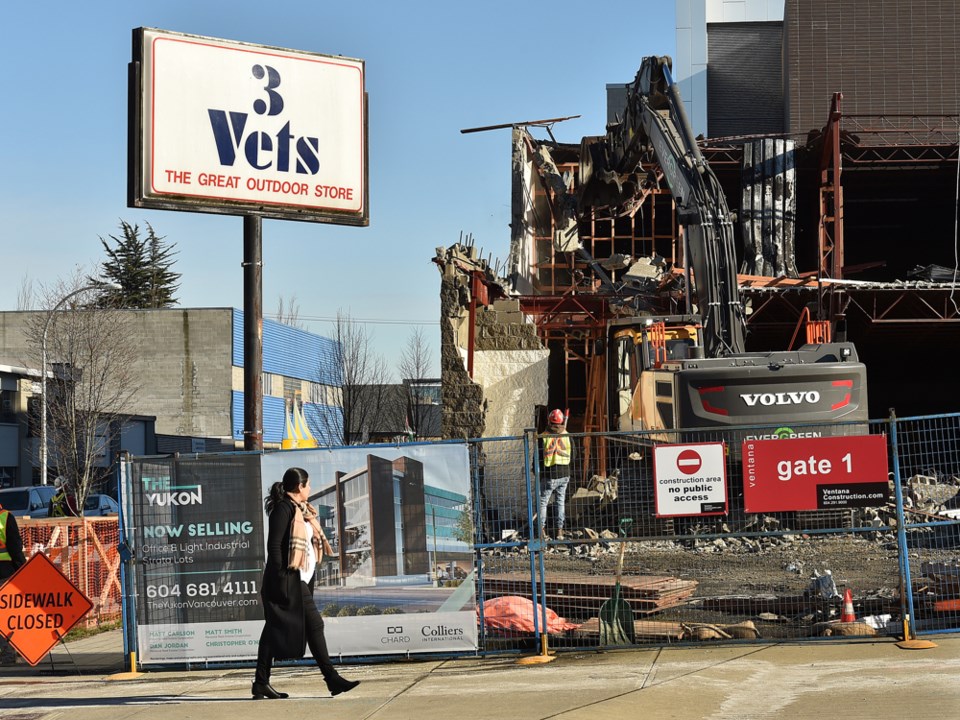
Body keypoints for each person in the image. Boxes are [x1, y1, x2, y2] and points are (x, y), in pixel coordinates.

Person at [253, 467, 360, 700]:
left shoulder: (303, 510)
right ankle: (332, 679)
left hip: (299, 579)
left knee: (272, 629)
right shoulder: (283, 509)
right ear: (299, 487)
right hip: (287, 579)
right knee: (315, 626)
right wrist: (282, 577)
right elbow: (274, 546)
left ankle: (261, 683)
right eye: (308, 484)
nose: (310, 488)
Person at [539, 408, 573, 540]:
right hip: (564, 474)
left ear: (549, 420)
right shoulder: (566, 434)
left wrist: (538, 471)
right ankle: (560, 531)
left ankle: (542, 531)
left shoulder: (543, 436)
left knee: (543, 502)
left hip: (549, 474)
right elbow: (573, 454)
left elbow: (539, 457)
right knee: (560, 502)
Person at [0, 500, 27, 665]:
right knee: (9, 615)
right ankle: (10, 654)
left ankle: (9, 653)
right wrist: (23, 568)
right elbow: (15, 546)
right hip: (5, 572)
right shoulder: (5, 517)